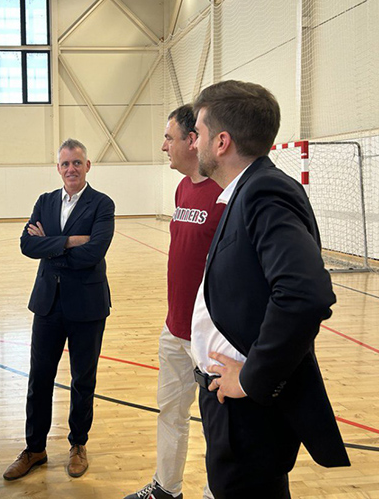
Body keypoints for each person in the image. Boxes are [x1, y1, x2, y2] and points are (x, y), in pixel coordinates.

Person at [190, 80, 350, 498]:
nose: (196, 143)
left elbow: (305, 294)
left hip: (247, 408)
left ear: (222, 142)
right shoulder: (244, 190)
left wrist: (253, 378)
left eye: (201, 133)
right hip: (230, 396)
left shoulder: (264, 191)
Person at [3, 138, 115, 481]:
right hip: (48, 304)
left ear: (87, 166)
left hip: (87, 305)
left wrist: (48, 244)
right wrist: (69, 240)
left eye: (77, 163)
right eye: (65, 164)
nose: (71, 169)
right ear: (58, 168)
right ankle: (34, 448)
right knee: (39, 378)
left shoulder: (102, 204)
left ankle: (78, 444)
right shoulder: (45, 201)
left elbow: (93, 252)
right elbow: (26, 244)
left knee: (83, 380)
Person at [125, 106, 223, 499]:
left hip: (211, 335)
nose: (163, 146)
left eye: (169, 138)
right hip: (174, 328)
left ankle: (217, 492)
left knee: (218, 424)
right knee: (171, 412)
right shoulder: (183, 189)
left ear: (191, 141)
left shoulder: (223, 194)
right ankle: (166, 487)